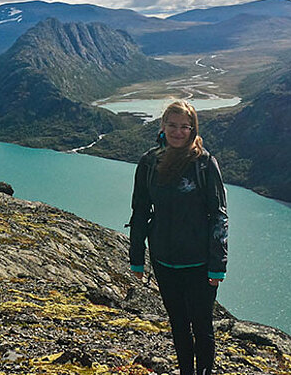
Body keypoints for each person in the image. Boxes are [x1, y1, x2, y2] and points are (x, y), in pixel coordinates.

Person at [128, 99, 228, 375]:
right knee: (179, 324)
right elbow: (140, 210)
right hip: (164, 260)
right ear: (163, 126)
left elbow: (219, 214)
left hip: (198, 262)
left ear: (193, 129)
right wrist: (137, 258)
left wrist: (217, 263)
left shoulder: (205, 163)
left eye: (185, 126)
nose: (178, 131)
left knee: (202, 326)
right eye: (172, 125)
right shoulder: (149, 162)